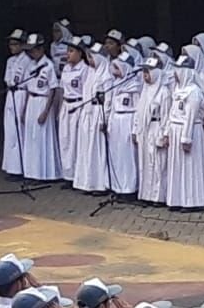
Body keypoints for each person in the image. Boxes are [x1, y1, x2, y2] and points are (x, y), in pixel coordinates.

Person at [165, 55, 204, 213]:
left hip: (189, 130)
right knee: (177, 166)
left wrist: (186, 138)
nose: (175, 73)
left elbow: (191, 115)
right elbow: (172, 112)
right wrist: (167, 132)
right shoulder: (178, 89)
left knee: (190, 166)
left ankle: (192, 201)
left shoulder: (194, 91)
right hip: (175, 128)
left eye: (178, 70)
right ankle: (177, 199)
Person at [19, 34, 61, 184]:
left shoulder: (48, 65)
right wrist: (24, 110)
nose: (31, 53)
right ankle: (31, 172)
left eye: (33, 50)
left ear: (41, 49)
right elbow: (28, 89)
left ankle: (43, 173)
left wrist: (46, 111)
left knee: (42, 138)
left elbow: (53, 89)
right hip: (32, 101)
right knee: (31, 137)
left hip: (43, 101)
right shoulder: (31, 65)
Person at [73, 43, 112, 195]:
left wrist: (104, 118)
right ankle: (87, 182)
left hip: (98, 113)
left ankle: (99, 184)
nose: (90, 61)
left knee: (97, 150)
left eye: (92, 57)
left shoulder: (106, 76)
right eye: (88, 58)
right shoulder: (90, 73)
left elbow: (108, 100)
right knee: (86, 148)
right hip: (88, 113)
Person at [134, 56, 172, 206]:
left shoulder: (163, 92)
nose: (145, 75)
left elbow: (166, 115)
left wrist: (164, 134)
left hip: (157, 128)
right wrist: (136, 129)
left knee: (158, 164)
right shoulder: (145, 90)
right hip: (145, 130)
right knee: (145, 162)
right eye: (144, 72)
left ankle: (158, 197)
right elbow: (139, 111)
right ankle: (146, 194)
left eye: (148, 71)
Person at [107, 51, 141, 199]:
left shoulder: (134, 86)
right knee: (117, 155)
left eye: (118, 68)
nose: (115, 72)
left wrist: (135, 129)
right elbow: (111, 105)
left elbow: (138, 109)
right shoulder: (115, 84)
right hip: (116, 120)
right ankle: (118, 186)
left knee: (128, 157)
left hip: (128, 119)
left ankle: (130, 188)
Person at [57, 39, 90, 187]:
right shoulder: (66, 68)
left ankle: (78, 176)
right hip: (66, 105)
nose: (68, 54)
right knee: (65, 141)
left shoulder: (85, 69)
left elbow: (87, 91)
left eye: (71, 51)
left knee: (76, 143)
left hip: (78, 105)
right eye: (67, 51)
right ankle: (67, 175)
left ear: (80, 53)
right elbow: (61, 89)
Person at [3, 29, 29, 180]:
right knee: (10, 131)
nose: (12, 47)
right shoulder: (10, 61)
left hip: (21, 93)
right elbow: (7, 79)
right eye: (11, 44)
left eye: (15, 44)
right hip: (11, 95)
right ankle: (12, 166)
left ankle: (22, 167)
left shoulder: (27, 60)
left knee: (20, 130)